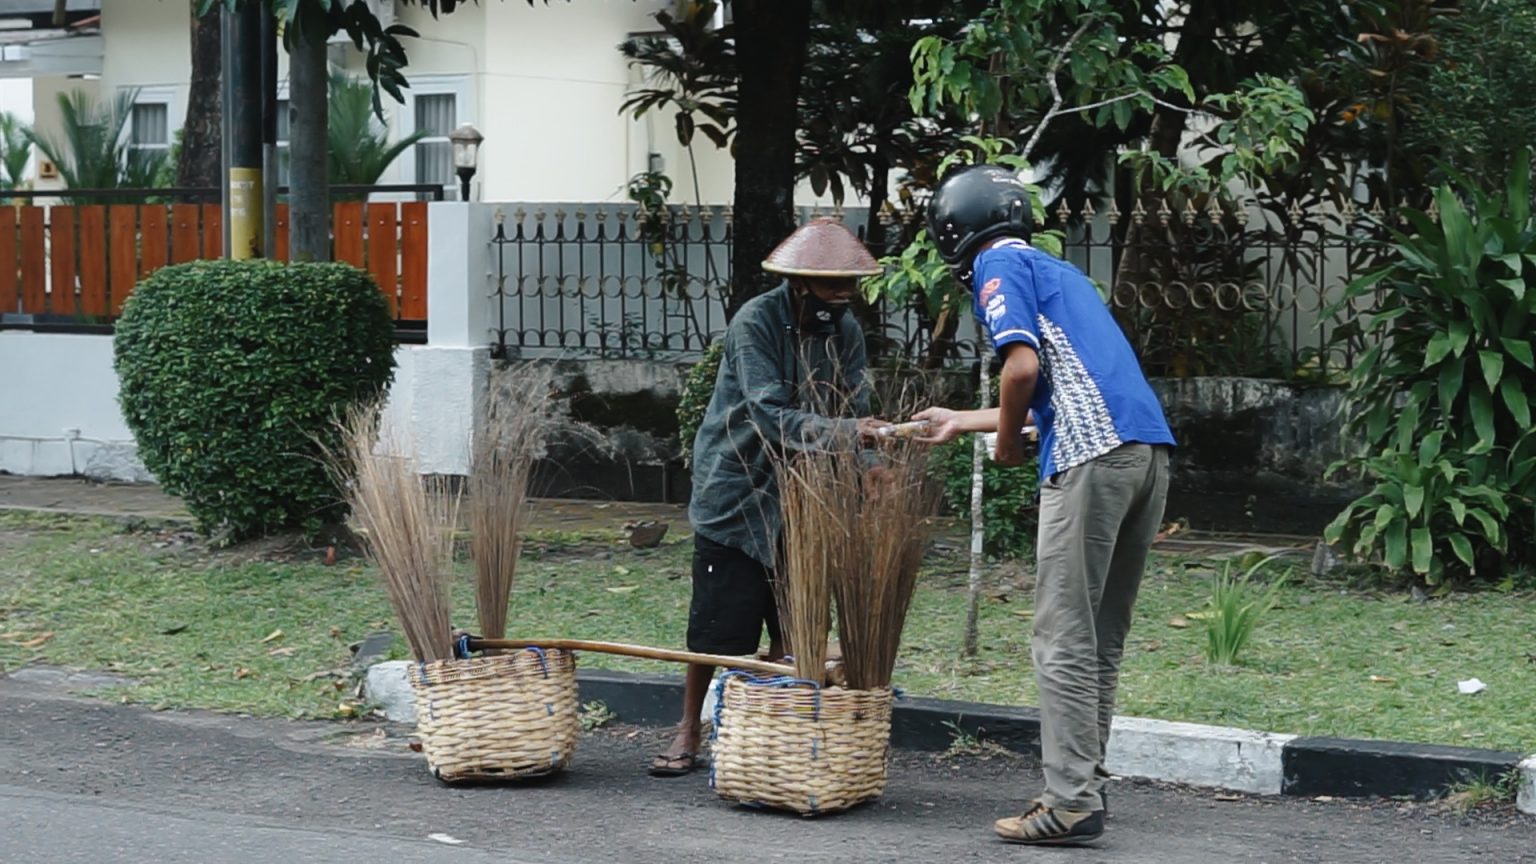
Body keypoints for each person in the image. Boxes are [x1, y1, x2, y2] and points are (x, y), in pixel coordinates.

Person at [913, 165, 1175, 846]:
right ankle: (1080, 786)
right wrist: (963, 421)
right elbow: (1068, 388)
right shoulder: (1061, 272)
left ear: (954, 231)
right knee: (1099, 638)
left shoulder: (996, 267)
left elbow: (1022, 371)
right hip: (1145, 452)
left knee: (1062, 637)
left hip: (1090, 459)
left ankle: (1070, 801)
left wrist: (1002, 446)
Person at [650, 218, 887, 777]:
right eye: (833, 286)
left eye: (850, 286)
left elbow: (857, 400)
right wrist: (853, 436)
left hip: (809, 496)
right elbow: (770, 416)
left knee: (795, 624)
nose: (844, 296)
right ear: (800, 282)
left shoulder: (845, 328)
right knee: (716, 629)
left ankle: (782, 734)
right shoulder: (756, 321)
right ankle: (690, 728)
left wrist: (873, 464)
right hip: (738, 489)